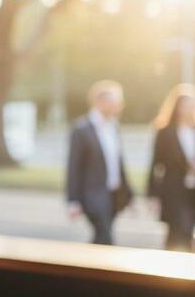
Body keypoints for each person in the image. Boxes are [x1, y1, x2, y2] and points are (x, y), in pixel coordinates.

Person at [66, 80, 134, 245]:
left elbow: (118, 164)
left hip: (114, 194)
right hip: (93, 195)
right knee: (105, 236)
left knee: (102, 237)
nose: (119, 106)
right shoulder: (82, 129)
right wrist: (73, 200)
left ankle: (89, 268)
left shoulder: (113, 127)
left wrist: (129, 195)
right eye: (115, 102)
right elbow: (74, 166)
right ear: (101, 102)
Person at [148, 84, 195, 252]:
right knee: (179, 229)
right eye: (186, 105)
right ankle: (172, 272)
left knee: (188, 232)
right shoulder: (165, 132)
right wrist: (152, 195)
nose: (190, 109)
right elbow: (155, 164)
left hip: (192, 191)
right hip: (175, 190)